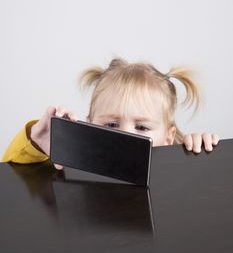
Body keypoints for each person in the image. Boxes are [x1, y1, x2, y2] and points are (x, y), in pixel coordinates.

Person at [2, 57, 219, 170]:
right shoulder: (75, 163)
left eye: (142, 127)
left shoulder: (173, 171)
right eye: (112, 125)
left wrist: (198, 153)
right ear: (90, 125)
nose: (125, 135)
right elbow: (14, 181)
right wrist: (36, 144)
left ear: (168, 138)